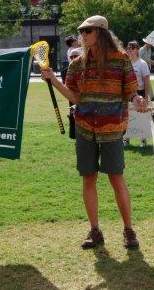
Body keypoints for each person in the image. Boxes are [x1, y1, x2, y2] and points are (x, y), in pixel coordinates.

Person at [41, 15, 147, 250]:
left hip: (112, 128)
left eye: (88, 30)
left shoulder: (121, 60)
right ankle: (95, 230)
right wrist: (53, 81)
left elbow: (131, 91)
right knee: (88, 179)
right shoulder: (77, 63)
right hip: (85, 128)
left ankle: (129, 230)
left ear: (101, 32)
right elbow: (75, 97)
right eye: (82, 31)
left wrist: (138, 98)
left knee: (116, 178)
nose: (83, 34)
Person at [123, 41, 151, 147]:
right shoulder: (125, 62)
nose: (129, 49)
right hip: (128, 93)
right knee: (128, 116)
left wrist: (146, 96)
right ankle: (126, 138)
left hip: (140, 92)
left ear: (137, 50)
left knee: (141, 116)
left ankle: (143, 139)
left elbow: (147, 81)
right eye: (128, 47)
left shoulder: (142, 63)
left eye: (132, 48)